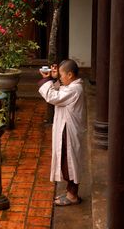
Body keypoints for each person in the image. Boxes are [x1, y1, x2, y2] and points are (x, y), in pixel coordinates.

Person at [38, 59, 85, 206]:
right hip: (68, 130)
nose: (60, 78)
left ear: (70, 75)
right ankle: (70, 193)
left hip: (69, 132)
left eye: (62, 75)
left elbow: (53, 96)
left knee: (68, 163)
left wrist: (46, 79)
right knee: (67, 161)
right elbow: (60, 90)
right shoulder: (72, 86)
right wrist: (53, 78)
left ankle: (72, 196)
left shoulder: (74, 89)